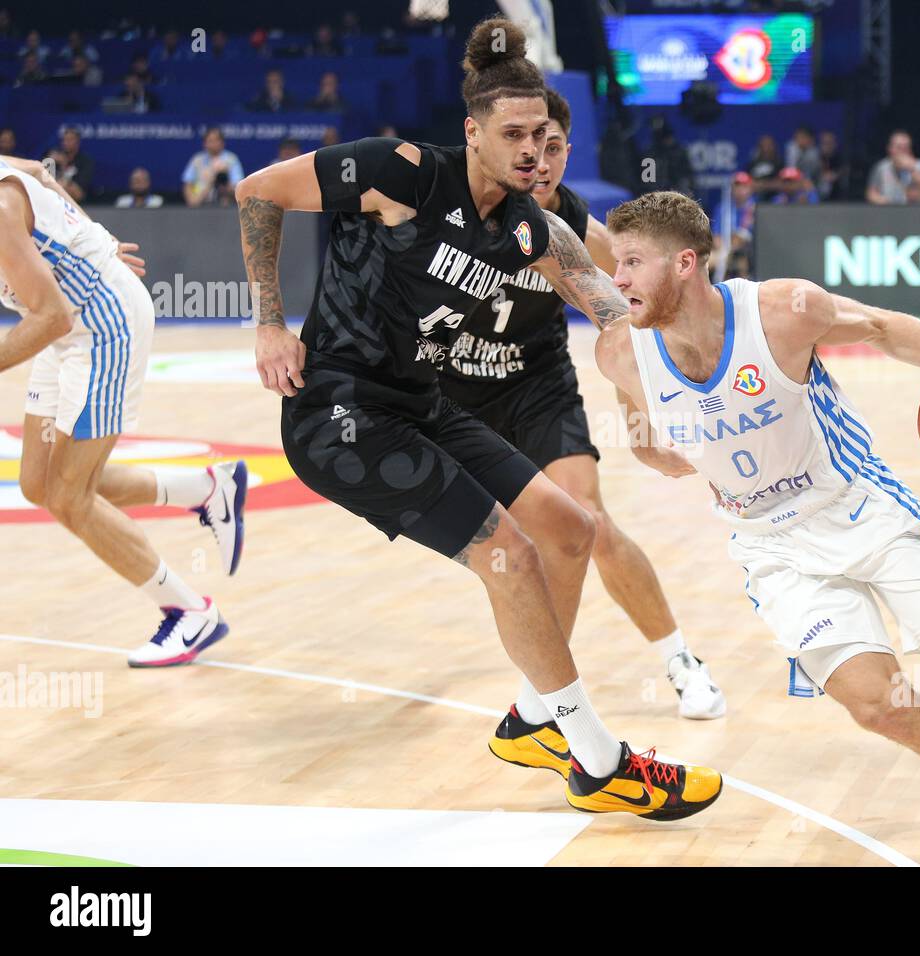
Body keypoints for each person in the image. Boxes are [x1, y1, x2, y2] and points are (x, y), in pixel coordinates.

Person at [234, 18, 722, 818]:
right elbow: (258, 190)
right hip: (339, 412)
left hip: (420, 403)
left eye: (544, 135)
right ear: (474, 131)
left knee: (570, 529)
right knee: (511, 556)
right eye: (514, 134)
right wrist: (267, 320)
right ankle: (600, 762)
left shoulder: (531, 224)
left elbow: (607, 313)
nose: (532, 149)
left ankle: (533, 718)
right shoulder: (402, 171)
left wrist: (659, 407)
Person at [593, 189, 920, 859]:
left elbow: (880, 329)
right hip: (772, 549)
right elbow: (641, 432)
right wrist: (657, 453)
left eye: (633, 262)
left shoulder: (782, 311)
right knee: (879, 707)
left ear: (685, 264)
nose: (618, 279)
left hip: (859, 507)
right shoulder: (619, 351)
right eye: (616, 263)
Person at [438, 88, 726, 720]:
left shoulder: (585, 237)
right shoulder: (456, 203)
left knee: (588, 521)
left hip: (536, 385)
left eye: (554, 147)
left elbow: (627, 332)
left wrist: (639, 424)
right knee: (499, 547)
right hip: (449, 391)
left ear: (569, 151)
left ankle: (679, 660)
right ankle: (542, 685)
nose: (539, 161)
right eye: (527, 145)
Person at [0, 154, 246, 666]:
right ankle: (207, 489)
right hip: (66, 328)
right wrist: (96, 239)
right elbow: (43, 174)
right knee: (39, 484)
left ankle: (189, 612)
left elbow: (53, 316)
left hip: (100, 325)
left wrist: (95, 250)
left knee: (70, 497)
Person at [182, 127, 244, 207]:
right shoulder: (197, 160)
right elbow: (188, 184)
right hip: (201, 206)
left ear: (222, 142)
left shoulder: (231, 160)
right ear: (204, 143)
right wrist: (212, 180)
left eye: (217, 140)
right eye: (210, 141)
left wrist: (224, 184)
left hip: (226, 207)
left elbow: (239, 189)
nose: (214, 143)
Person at [866, 130, 920, 205]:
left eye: (906, 147)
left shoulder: (919, 166)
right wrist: (885, 202)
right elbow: (871, 194)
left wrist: (911, 169)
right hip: (887, 211)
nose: (902, 151)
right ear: (890, 148)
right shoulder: (882, 167)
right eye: (899, 147)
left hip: (914, 211)